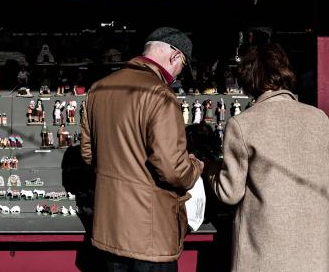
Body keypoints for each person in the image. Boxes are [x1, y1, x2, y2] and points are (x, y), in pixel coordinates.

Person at [81, 27, 203, 271]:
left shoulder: (99, 89)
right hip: (151, 236)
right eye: (182, 67)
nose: (178, 75)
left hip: (110, 230)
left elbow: (88, 154)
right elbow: (173, 170)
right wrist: (195, 167)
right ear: (175, 56)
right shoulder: (161, 95)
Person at [204, 44, 329, 271]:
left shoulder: (243, 124)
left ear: (248, 79)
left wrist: (209, 168)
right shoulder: (320, 118)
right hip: (314, 252)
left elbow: (229, 193)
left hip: (264, 253)